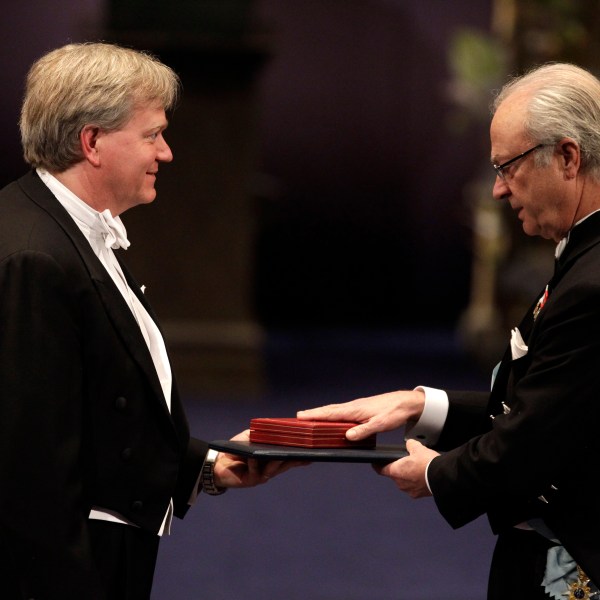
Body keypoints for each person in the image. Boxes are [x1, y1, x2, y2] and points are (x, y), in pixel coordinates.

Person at [0, 42, 298, 600]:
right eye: (152, 134)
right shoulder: (35, 258)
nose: (166, 153)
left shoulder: (73, 231)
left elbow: (99, 408)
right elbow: (28, 469)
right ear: (92, 142)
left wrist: (204, 466)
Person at [298, 62, 600, 600]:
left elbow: (537, 437)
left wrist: (440, 475)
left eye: (508, 167)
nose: (499, 190)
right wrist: (419, 405)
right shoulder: (583, 258)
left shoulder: (592, 281)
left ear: (568, 157)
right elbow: (546, 401)